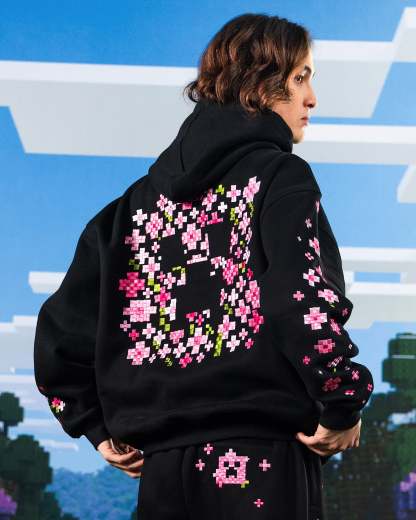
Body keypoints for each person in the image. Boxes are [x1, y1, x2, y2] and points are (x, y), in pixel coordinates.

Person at [33, 12, 374, 519]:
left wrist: (96, 428)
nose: (312, 98)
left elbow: (60, 339)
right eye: (301, 77)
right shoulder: (279, 177)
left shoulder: (128, 212)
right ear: (260, 84)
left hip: (163, 475)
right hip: (263, 459)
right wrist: (341, 401)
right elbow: (298, 299)